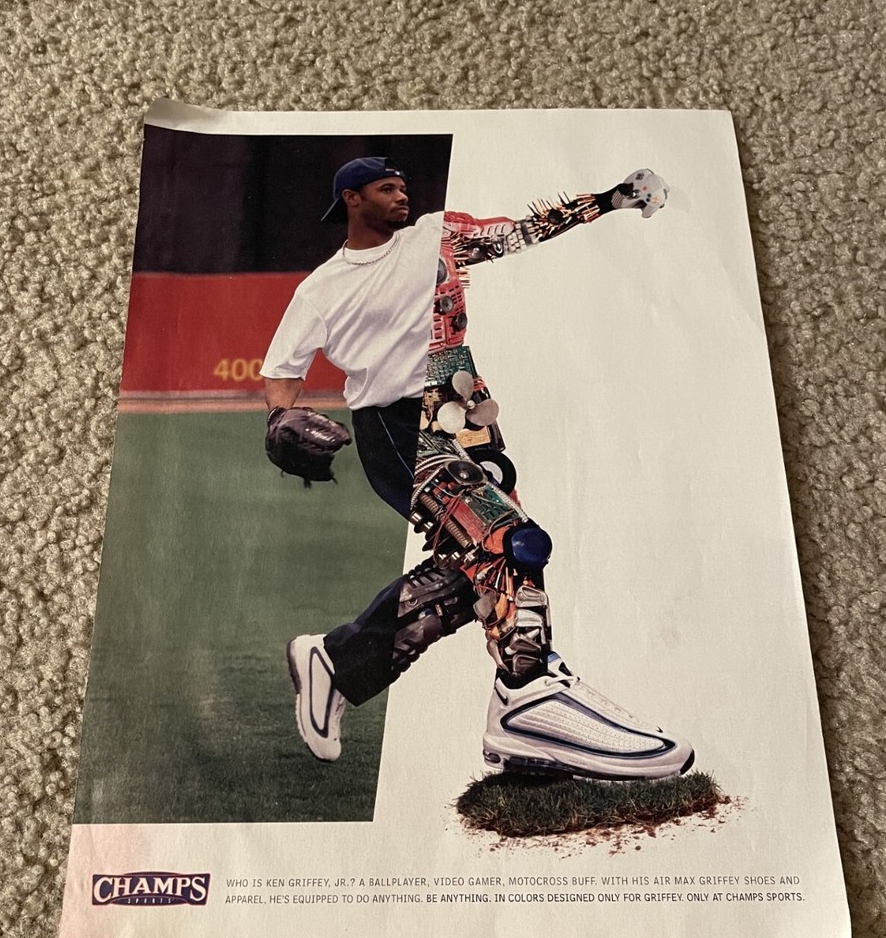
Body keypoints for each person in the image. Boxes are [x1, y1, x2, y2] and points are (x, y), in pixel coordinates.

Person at [261, 156, 694, 781]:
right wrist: (280, 418)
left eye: (403, 186)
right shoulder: (321, 289)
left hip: (466, 418)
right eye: (386, 188)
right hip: (397, 430)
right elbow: (282, 370)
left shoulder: (436, 236)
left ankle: (337, 661)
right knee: (510, 543)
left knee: (475, 576)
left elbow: (518, 232)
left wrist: (609, 200)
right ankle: (526, 695)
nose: (402, 195)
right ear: (351, 199)